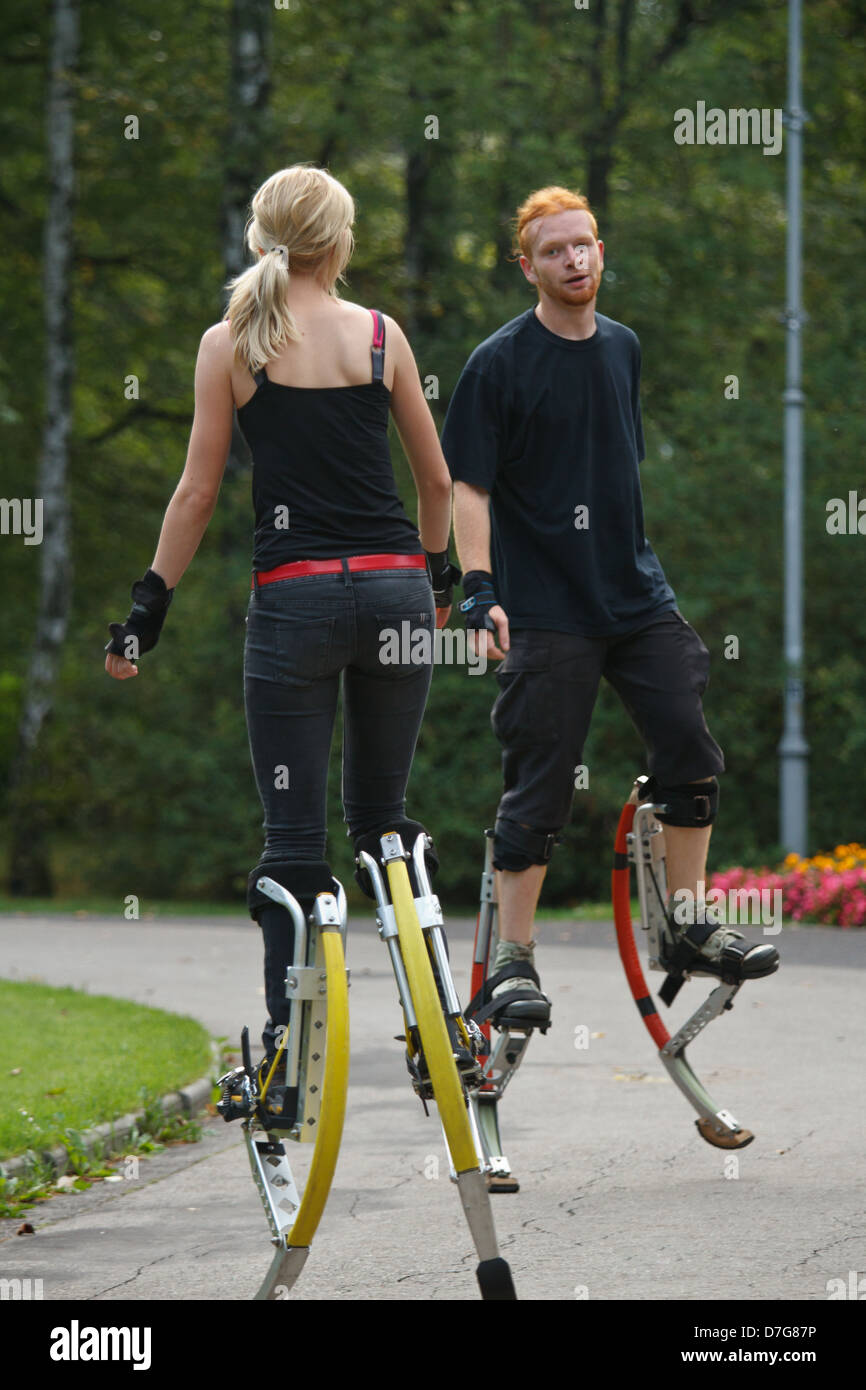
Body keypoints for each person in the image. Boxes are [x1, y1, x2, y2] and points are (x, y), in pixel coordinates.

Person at [105, 163, 462, 1121]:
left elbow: (198, 493)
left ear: (264, 239)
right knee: (385, 821)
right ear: (340, 243)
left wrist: (147, 613)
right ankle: (445, 1036)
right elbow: (435, 483)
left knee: (295, 846)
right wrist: (440, 584)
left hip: (295, 603)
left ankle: (288, 1073)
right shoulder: (382, 336)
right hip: (393, 592)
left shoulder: (231, 343)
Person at [442, 185, 779, 1027]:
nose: (575, 260)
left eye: (585, 244)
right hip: (544, 607)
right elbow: (468, 488)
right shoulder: (498, 363)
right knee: (542, 780)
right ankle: (513, 962)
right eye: (555, 251)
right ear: (528, 266)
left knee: (689, 742)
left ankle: (689, 928)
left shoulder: (623, 348)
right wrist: (479, 590)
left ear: (601, 249)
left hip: (633, 594)